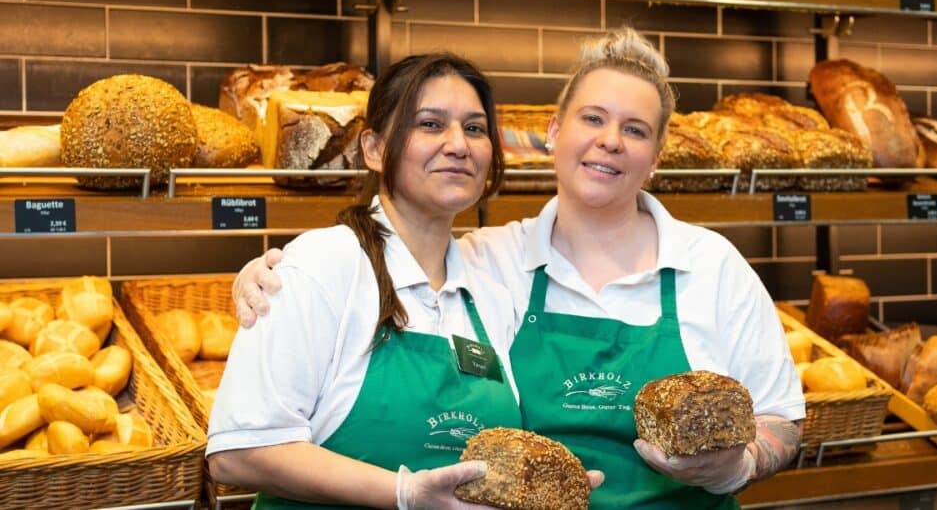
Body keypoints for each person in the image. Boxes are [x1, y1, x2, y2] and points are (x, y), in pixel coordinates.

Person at [233, 28, 805, 509]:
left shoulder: (713, 267)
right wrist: (272, 278)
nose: (610, 141)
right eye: (593, 118)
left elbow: (784, 421)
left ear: (655, 158)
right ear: (553, 135)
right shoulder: (492, 261)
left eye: (635, 130)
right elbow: (247, 440)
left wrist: (735, 467)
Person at [207, 53, 527, 509]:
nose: (459, 144)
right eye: (431, 125)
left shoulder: (490, 288)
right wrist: (406, 493)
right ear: (373, 149)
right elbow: (238, 454)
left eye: (475, 128)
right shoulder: (323, 265)